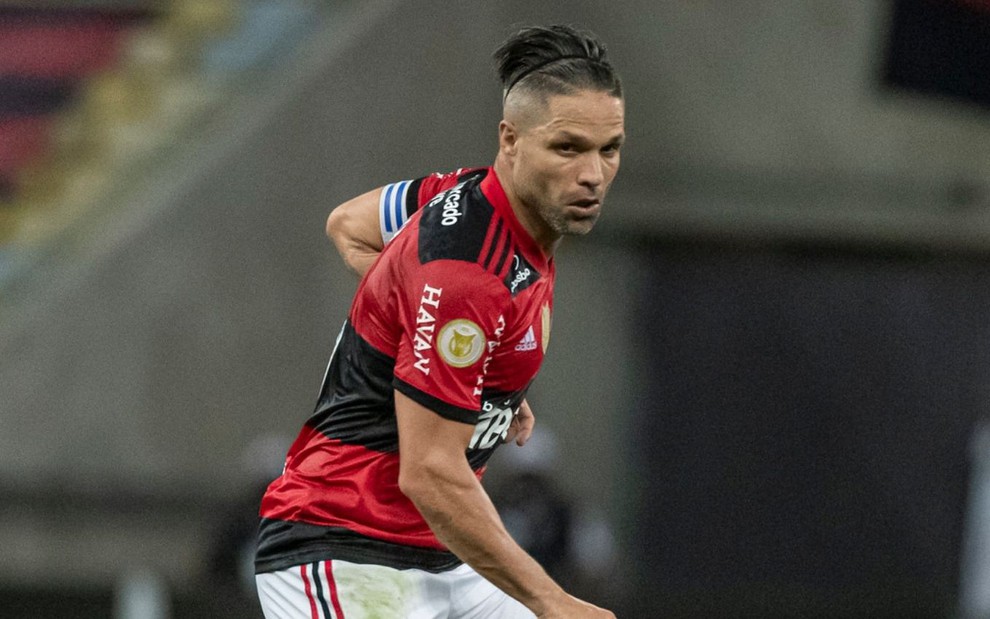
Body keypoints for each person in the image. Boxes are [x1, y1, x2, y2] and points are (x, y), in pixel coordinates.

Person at [254, 24, 625, 619]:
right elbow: (428, 472)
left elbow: (348, 222)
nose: (593, 174)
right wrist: (551, 599)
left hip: (441, 555)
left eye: (608, 149)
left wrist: (464, 365)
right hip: (346, 548)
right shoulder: (466, 273)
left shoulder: (460, 191)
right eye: (568, 147)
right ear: (510, 140)